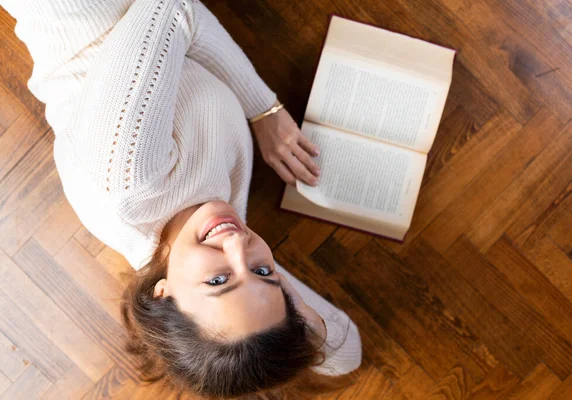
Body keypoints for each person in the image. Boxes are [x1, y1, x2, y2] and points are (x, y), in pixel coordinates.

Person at [1, 0, 362, 397]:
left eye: (219, 280)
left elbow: (174, 8)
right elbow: (345, 350)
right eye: (263, 274)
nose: (238, 244)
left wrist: (264, 110)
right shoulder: (202, 236)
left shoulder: (129, 176)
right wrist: (273, 307)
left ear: (165, 294)